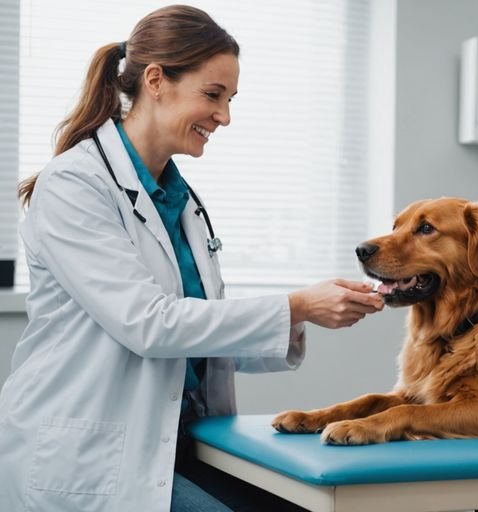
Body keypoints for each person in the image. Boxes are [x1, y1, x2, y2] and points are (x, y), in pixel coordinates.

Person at [0, 5, 383, 511]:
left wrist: (304, 317)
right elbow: (149, 326)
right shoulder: (75, 185)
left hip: (177, 443)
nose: (224, 116)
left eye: (229, 99)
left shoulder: (178, 202)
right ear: (156, 80)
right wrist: (296, 305)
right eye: (213, 95)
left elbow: (198, 341)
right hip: (90, 455)